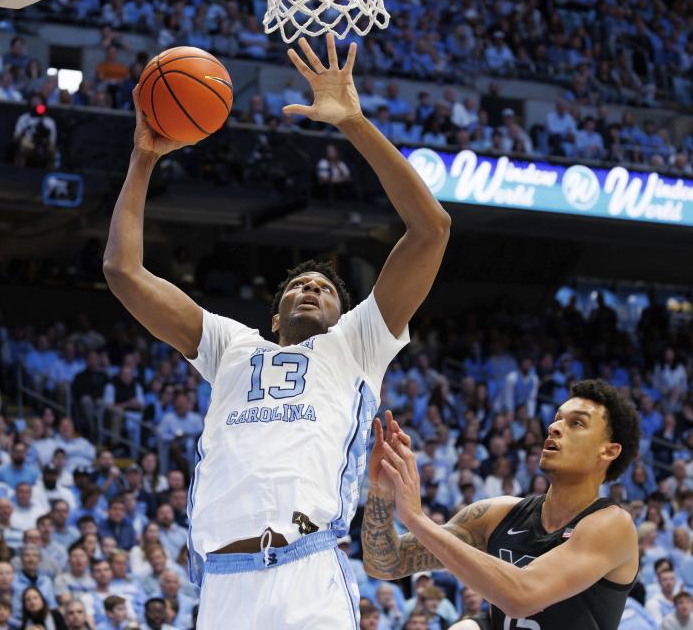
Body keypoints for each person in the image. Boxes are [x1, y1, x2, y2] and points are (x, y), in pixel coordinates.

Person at [102, 33, 449, 628]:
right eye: (298, 285)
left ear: (346, 315)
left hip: (305, 573)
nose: (310, 288)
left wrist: (355, 123)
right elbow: (122, 271)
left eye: (325, 289)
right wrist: (143, 158)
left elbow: (431, 229)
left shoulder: (357, 345)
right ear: (272, 315)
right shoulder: (230, 345)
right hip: (223, 583)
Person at [361, 379, 641, 629]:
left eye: (576, 423)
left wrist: (416, 518)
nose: (554, 427)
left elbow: (522, 597)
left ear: (609, 451)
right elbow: (385, 563)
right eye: (556, 419)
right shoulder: (496, 515)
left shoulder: (612, 525)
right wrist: (381, 491)